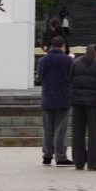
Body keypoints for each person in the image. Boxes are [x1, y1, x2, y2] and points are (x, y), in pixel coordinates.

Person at [37, 35, 74, 166]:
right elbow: (72, 78)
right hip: (63, 98)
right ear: (63, 45)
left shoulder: (42, 60)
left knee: (48, 129)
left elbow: (40, 77)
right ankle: (61, 156)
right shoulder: (68, 60)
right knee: (60, 129)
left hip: (47, 97)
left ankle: (47, 156)